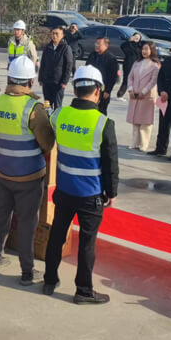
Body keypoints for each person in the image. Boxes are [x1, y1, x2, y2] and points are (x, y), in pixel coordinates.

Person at [44, 65, 119, 305]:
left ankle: (49, 280)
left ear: (75, 89)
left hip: (64, 190)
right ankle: (83, 291)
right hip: (91, 195)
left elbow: (47, 127)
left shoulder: (59, 115)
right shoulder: (103, 123)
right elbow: (110, 163)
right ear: (97, 91)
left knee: (57, 235)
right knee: (87, 243)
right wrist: (112, 192)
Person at [0, 56, 55, 284]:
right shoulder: (33, 108)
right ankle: (27, 271)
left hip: (3, 172)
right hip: (29, 177)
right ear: (30, 82)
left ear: (9, 78)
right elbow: (47, 143)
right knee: (27, 223)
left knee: (0, 215)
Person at [126, 42, 161, 152]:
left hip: (146, 96)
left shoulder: (155, 65)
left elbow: (153, 81)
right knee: (135, 119)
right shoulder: (137, 63)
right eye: (143, 49)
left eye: (147, 49)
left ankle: (144, 144)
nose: (144, 51)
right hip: (135, 94)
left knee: (145, 122)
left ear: (152, 50)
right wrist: (130, 89)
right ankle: (134, 142)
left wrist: (144, 91)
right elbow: (130, 77)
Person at [39, 26, 73, 110]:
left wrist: (64, 81)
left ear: (62, 35)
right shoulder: (48, 47)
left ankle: (56, 118)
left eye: (57, 34)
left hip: (58, 83)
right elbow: (43, 63)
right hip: (47, 82)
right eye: (53, 33)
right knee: (47, 105)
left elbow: (68, 66)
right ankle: (47, 118)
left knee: (57, 105)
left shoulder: (66, 48)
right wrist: (41, 78)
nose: (54, 36)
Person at [85, 37, 118, 114]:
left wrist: (108, 91)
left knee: (101, 111)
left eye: (99, 44)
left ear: (106, 45)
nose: (96, 45)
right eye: (96, 44)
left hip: (103, 90)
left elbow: (113, 77)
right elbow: (87, 68)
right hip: (91, 88)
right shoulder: (92, 55)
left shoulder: (111, 58)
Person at [118, 32, 144, 97]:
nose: (136, 39)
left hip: (137, 66)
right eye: (135, 37)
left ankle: (135, 95)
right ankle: (120, 95)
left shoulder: (140, 46)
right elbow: (122, 46)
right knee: (126, 80)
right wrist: (129, 41)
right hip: (128, 64)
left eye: (137, 38)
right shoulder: (128, 45)